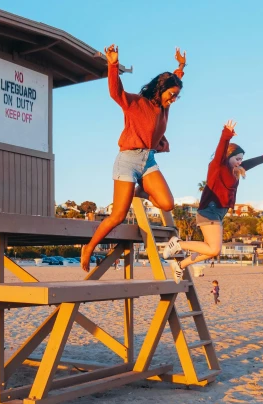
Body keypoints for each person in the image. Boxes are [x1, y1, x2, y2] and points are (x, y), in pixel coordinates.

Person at [80, 45, 186, 271]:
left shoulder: (164, 107)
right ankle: (89, 247)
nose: (174, 99)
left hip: (148, 161)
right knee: (117, 215)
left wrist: (181, 67)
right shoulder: (136, 103)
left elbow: (173, 81)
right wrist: (113, 64)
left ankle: (140, 192)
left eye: (177, 96)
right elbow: (115, 92)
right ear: (161, 89)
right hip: (127, 161)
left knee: (167, 203)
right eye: (172, 95)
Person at [161, 120, 263, 282]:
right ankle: (178, 243)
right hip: (210, 210)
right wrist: (226, 134)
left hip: (218, 213)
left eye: (241, 159)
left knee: (209, 250)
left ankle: (180, 265)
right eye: (237, 158)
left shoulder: (235, 170)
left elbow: (249, 163)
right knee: (214, 249)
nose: (239, 162)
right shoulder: (217, 167)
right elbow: (221, 151)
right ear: (228, 156)